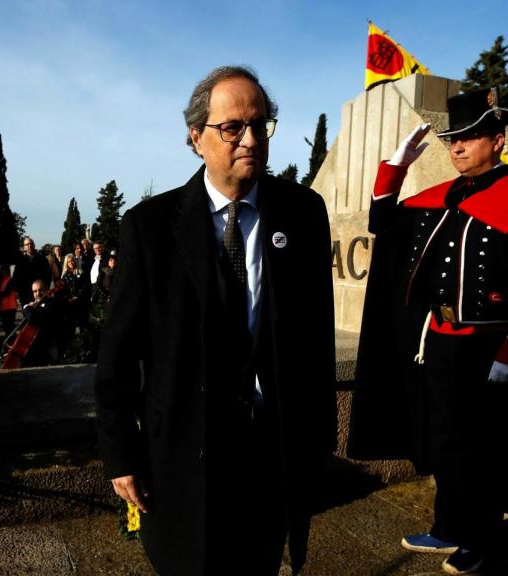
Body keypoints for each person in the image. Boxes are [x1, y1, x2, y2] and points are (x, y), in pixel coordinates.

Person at [94, 65, 336, 575]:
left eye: (260, 124)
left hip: (270, 451)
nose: (250, 139)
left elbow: (316, 337)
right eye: (232, 127)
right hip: (183, 451)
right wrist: (121, 455)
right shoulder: (150, 227)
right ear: (196, 137)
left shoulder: (303, 211)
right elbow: (117, 354)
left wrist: (318, 443)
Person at [350, 89, 508, 575]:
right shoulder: (443, 196)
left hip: (492, 346)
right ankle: (449, 526)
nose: (456, 147)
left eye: (469, 138)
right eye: (452, 139)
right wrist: (396, 167)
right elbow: (382, 224)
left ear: (497, 140)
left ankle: (481, 540)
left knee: (487, 448)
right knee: (447, 440)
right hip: (439, 341)